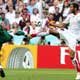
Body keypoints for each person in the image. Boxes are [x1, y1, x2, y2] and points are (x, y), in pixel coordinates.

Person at [49, 2, 80, 80]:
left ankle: (79, 73)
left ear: (76, 8)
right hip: (68, 34)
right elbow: (62, 25)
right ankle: (34, 35)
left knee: (72, 56)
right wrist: (53, 24)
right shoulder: (70, 16)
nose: (70, 9)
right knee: (51, 31)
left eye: (71, 7)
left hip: (75, 37)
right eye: (70, 7)